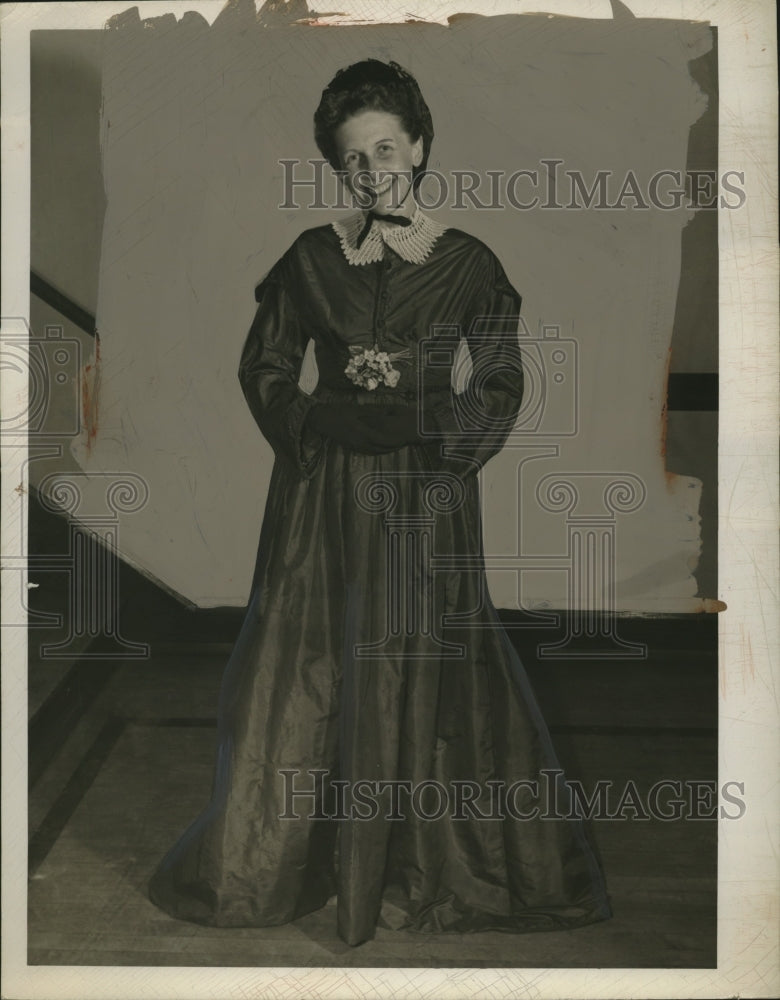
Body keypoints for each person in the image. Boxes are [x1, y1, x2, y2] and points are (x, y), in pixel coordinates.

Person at [148, 58, 612, 947]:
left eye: (387, 148)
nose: (372, 169)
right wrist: (317, 415)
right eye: (353, 157)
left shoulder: (470, 263)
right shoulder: (311, 261)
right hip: (322, 496)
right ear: (339, 168)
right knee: (311, 664)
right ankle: (292, 861)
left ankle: (428, 864)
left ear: (421, 149)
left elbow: (505, 376)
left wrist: (439, 427)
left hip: (425, 497)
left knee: (427, 662)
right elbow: (265, 367)